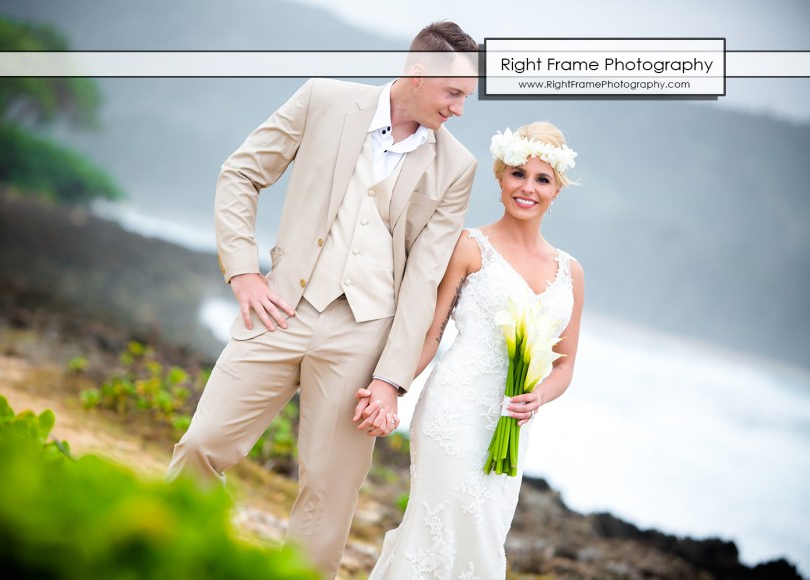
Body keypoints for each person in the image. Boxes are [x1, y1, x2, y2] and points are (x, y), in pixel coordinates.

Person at [165, 22, 479, 578]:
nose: (459, 109)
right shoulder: (323, 99)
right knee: (202, 445)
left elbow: (423, 281)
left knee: (329, 494)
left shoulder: (457, 167)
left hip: (364, 332)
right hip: (279, 308)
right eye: (453, 93)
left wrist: (390, 379)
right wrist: (243, 273)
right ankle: (171, 558)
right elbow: (240, 173)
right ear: (418, 74)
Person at [367, 121, 585, 579]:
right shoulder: (470, 246)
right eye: (517, 174)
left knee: (484, 536)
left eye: (542, 179)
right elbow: (430, 334)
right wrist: (387, 387)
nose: (527, 188)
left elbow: (565, 365)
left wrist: (540, 396)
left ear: (556, 192)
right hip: (452, 412)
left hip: (511, 426)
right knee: (435, 528)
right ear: (500, 178)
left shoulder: (571, 272)